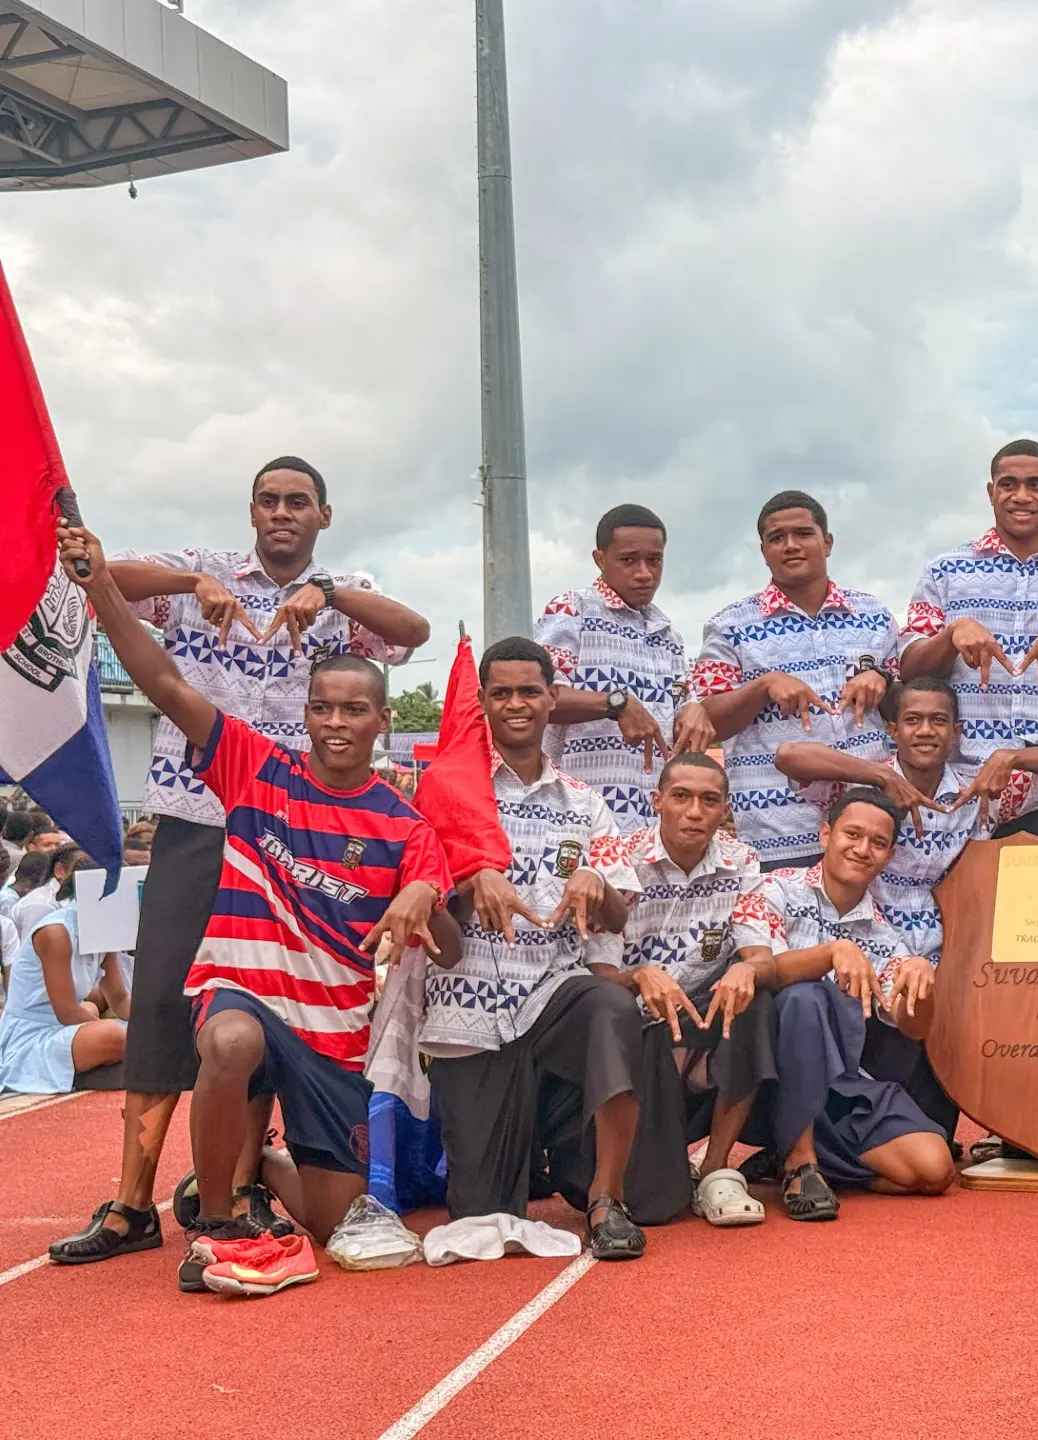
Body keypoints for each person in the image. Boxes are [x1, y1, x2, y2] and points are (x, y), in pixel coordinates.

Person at [57, 523, 456, 1297]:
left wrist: (426, 894)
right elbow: (165, 684)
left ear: (384, 721)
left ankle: (266, 1166)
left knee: (336, 1221)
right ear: (303, 713)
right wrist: (98, 586)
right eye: (322, 709)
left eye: (353, 712)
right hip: (247, 998)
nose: (335, 724)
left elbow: (442, 948)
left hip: (331, 1037)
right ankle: (217, 1224)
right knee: (228, 1041)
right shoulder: (255, 769)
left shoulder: (407, 825)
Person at [417, 637, 664, 1260]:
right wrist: (472, 881)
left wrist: (596, 880)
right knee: (481, 1216)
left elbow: (617, 909)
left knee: (611, 1005)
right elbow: (421, 904)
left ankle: (607, 1199)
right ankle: (541, 1157)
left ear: (553, 698)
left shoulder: (584, 801)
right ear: (482, 702)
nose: (517, 704)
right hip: (467, 1008)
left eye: (530, 691)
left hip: (554, 990)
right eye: (501, 693)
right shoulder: (445, 789)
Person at [731, 789, 957, 1220]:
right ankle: (799, 1163)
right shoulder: (774, 889)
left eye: (878, 843)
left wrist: (922, 986)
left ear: (889, 857)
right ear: (825, 834)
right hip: (768, 1075)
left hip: (841, 1085)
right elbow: (761, 968)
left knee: (934, 1169)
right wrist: (830, 952)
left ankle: (802, 1159)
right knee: (806, 995)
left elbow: (913, 1027)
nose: (862, 849)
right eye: (852, 834)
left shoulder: (883, 934)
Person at [900, 439, 1038, 838]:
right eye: (1009, 484)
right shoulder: (944, 572)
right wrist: (950, 635)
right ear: (991, 492)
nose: (1022, 496)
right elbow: (910, 671)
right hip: (961, 782)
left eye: (1036, 484)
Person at [775, 674, 1038, 964]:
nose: (925, 730)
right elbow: (788, 756)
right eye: (912, 720)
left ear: (957, 733)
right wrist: (882, 776)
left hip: (949, 955)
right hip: (862, 950)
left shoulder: (979, 793)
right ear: (893, 730)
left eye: (939, 721)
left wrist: (1012, 757)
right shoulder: (858, 790)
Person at [691, 491, 898, 871]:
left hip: (868, 830)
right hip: (778, 835)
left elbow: (909, 707)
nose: (790, 546)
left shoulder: (874, 615)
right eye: (777, 538)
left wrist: (882, 678)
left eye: (803, 533)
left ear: (828, 542)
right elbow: (708, 720)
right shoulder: (729, 626)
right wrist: (763, 685)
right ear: (764, 550)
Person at [614, 749, 776, 1227]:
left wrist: (747, 969)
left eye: (709, 800)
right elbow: (593, 971)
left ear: (724, 808)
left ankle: (715, 1168)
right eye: (681, 797)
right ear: (657, 800)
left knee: (757, 998)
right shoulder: (619, 860)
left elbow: (762, 954)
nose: (694, 811)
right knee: (654, 1206)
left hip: (704, 1016)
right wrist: (639, 975)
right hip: (635, 1023)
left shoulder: (743, 860)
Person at [534, 504, 716, 833]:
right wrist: (615, 704)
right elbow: (538, 697)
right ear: (600, 559)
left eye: (654, 560)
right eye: (629, 560)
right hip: (576, 818)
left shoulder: (667, 635)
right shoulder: (573, 609)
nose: (644, 572)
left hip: (652, 825)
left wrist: (694, 711)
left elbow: (683, 706)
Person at [0, 855, 130, 1094]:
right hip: (30, 1039)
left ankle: (100, 1066)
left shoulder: (104, 929)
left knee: (96, 1012)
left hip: (65, 1027)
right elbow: (67, 1012)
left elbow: (120, 1001)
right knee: (114, 1035)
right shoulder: (56, 933)